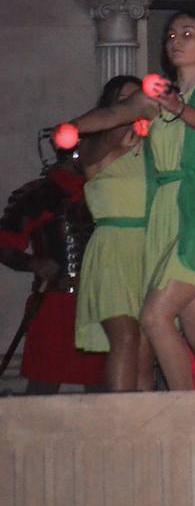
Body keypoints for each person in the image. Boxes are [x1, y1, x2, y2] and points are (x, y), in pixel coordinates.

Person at [64, 10, 195, 391]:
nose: (176, 41)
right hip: (165, 211)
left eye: (188, 33)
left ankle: (181, 409)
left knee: (153, 317)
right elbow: (114, 113)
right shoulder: (154, 99)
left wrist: (175, 106)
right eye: (170, 35)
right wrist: (72, 127)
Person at [74, 75, 156, 392]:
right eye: (124, 99)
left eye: (137, 98)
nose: (134, 104)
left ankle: (145, 434)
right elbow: (109, 135)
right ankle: (119, 427)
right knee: (124, 336)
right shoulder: (95, 146)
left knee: (146, 351)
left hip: (149, 247)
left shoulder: (152, 147)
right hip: (113, 248)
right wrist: (128, 114)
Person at [1, 148, 104, 393]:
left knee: (102, 384)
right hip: (55, 300)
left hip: (100, 298)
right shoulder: (38, 195)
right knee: (43, 383)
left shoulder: (105, 190)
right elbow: (5, 244)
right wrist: (33, 263)